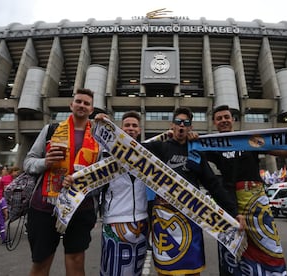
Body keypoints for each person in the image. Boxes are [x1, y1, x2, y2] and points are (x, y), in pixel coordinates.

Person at [206, 105, 287, 275]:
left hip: (256, 201)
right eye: (219, 119)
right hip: (229, 202)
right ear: (214, 123)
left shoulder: (250, 140)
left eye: (226, 117)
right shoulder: (212, 145)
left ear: (233, 120)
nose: (223, 120)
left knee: (268, 243)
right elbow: (192, 153)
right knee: (232, 246)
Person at [144, 107, 245, 276]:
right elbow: (130, 149)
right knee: (165, 270)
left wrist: (233, 212)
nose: (182, 125)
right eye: (178, 122)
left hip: (191, 216)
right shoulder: (160, 148)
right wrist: (106, 127)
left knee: (193, 270)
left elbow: (213, 184)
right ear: (172, 125)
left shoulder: (196, 151)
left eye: (186, 123)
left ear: (190, 127)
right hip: (164, 217)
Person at [23, 88, 100, 276]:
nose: (82, 105)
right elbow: (28, 162)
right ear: (71, 105)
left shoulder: (99, 136)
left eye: (86, 103)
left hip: (80, 208)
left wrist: (83, 184)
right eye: (79, 101)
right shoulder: (51, 130)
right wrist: (45, 162)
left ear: (91, 110)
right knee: (41, 262)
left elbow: (103, 174)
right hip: (45, 208)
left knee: (76, 260)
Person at [97, 111, 149, 276]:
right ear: (121, 128)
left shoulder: (148, 154)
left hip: (141, 221)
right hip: (115, 220)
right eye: (127, 125)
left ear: (139, 130)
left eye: (134, 126)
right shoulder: (106, 152)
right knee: (112, 268)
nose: (131, 128)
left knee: (136, 269)